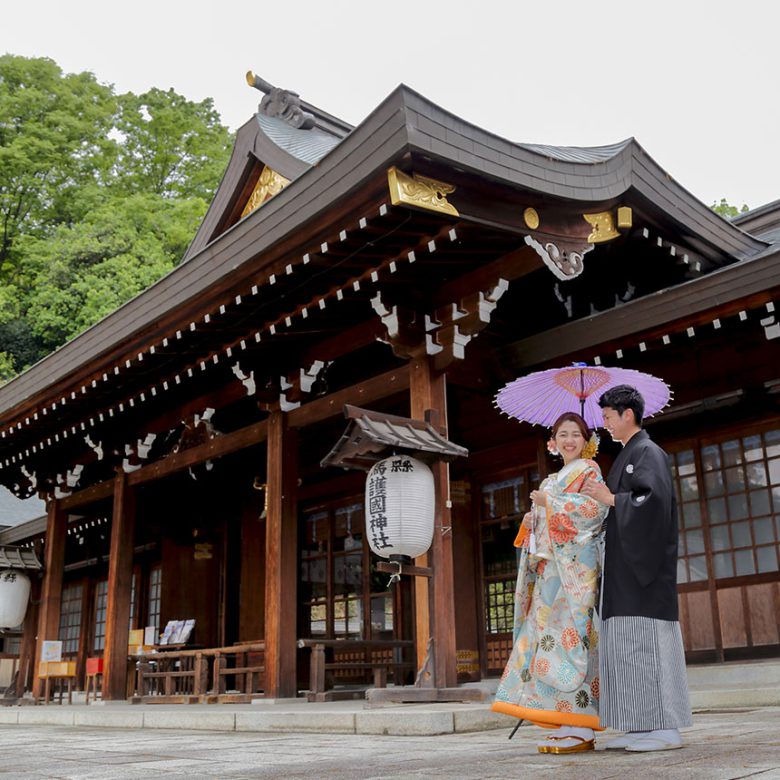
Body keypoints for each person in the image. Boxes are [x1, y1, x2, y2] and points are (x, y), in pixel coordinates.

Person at [581, 384, 692, 752]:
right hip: (625, 574)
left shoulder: (647, 452)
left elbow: (652, 501)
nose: (606, 425)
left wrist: (611, 498)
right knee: (628, 649)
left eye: (609, 417)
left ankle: (664, 726)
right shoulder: (629, 455)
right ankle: (642, 724)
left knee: (646, 647)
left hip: (645, 576)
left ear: (628, 414)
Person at [492, 412, 610, 754]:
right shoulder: (550, 480)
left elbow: (593, 511)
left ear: (586, 441)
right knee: (545, 646)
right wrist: (532, 520)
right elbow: (541, 533)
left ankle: (582, 725)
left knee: (569, 643)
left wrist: (553, 504)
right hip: (549, 575)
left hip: (572, 575)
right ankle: (562, 720)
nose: (569, 440)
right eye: (563, 434)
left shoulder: (589, 471)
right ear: (553, 442)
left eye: (576, 434)